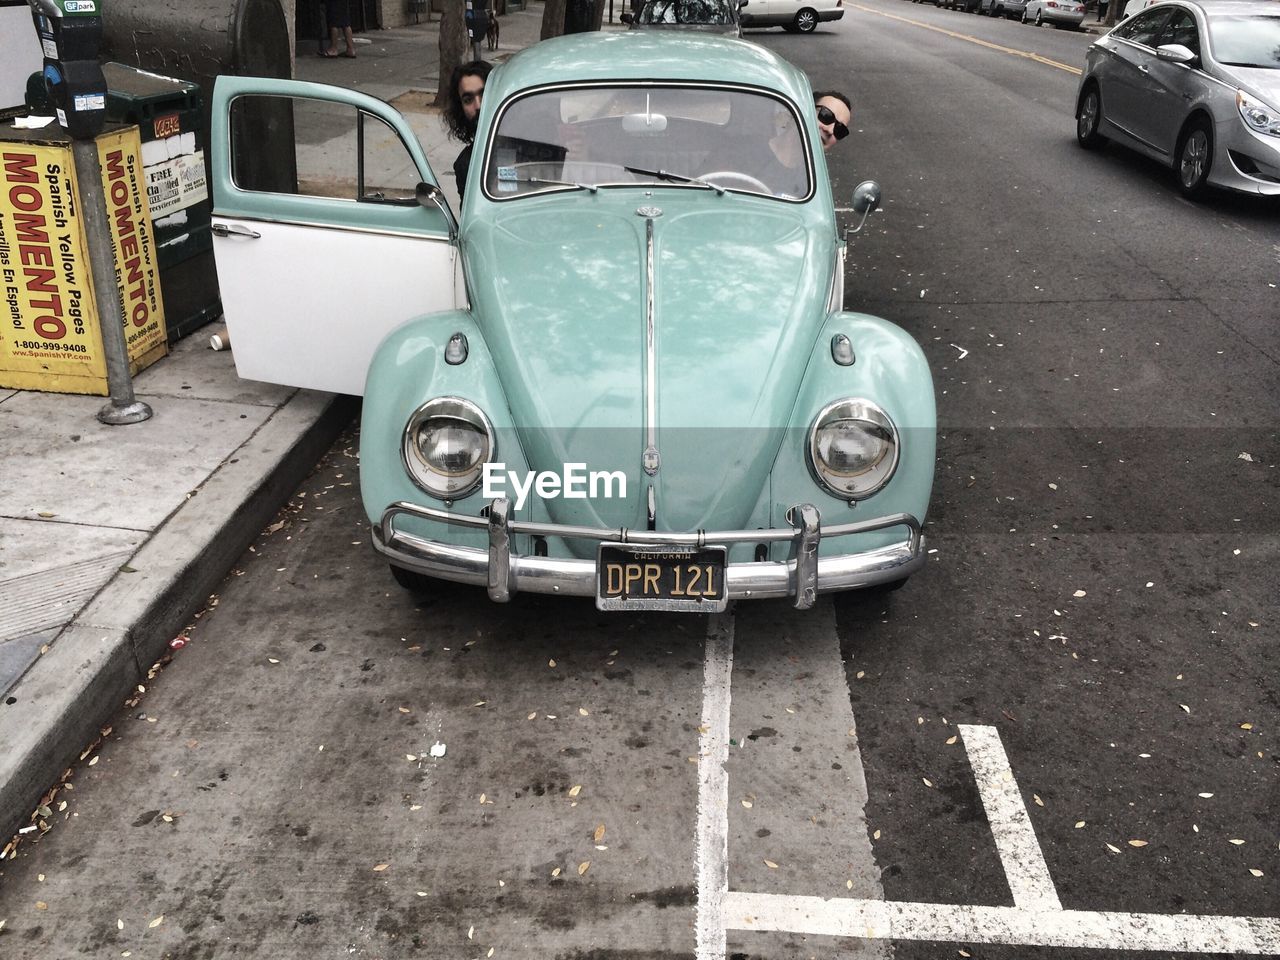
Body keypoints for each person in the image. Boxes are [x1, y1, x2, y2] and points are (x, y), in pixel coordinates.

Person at [445, 60, 493, 201]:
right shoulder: (466, 164)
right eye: (468, 100)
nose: (478, 105)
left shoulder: (528, 141)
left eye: (483, 94)